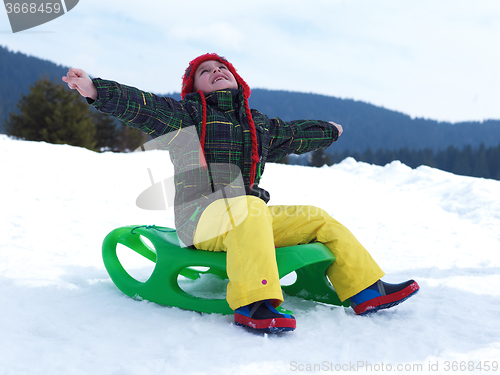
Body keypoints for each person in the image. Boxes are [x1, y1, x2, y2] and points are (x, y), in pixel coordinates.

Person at [63, 53, 419, 334]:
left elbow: (294, 135)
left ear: (237, 80)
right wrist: (96, 90)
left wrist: (330, 130)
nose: (216, 71)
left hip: (248, 218)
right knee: (249, 207)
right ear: (195, 88)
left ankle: (366, 289)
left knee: (316, 218)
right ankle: (253, 303)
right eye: (206, 71)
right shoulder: (185, 115)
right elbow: (143, 106)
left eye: (222, 68)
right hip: (201, 219)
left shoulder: (257, 124)